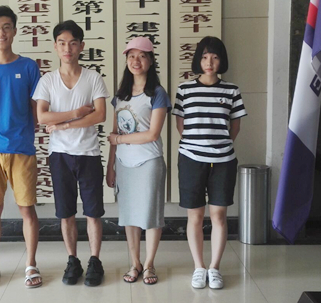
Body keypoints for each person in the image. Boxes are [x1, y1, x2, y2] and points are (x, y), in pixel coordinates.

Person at [32, 20, 109, 287]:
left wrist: (64, 124)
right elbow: (42, 116)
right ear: (55, 46)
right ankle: (73, 260)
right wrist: (76, 113)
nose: (67, 48)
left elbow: (100, 115)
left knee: (93, 212)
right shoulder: (48, 80)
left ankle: (95, 261)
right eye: (62, 43)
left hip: (89, 153)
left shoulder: (93, 78)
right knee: (65, 212)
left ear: (81, 46)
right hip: (59, 155)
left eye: (73, 43)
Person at [0, 6, 42, 289]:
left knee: (27, 209)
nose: (1, 32)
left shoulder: (28, 67)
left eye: (6, 27)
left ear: (14, 30)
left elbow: (36, 106)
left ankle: (31, 265)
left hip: (22, 148)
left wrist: (27, 131)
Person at [172, 36, 247, 290]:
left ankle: (214, 268)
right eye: (204, 57)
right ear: (198, 60)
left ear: (221, 60)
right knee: (195, 216)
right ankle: (199, 267)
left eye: (214, 57)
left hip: (223, 160)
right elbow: (181, 125)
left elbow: (235, 126)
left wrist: (219, 145)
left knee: (219, 215)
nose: (209, 62)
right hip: (191, 159)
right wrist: (199, 145)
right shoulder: (185, 90)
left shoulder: (232, 90)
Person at [105, 37, 171, 286]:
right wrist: (110, 166)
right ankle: (135, 263)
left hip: (149, 161)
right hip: (124, 164)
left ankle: (150, 264)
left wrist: (120, 140)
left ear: (151, 61)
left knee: (151, 215)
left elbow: (152, 134)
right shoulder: (120, 96)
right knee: (129, 216)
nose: (136, 61)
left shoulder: (158, 94)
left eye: (142, 56)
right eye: (131, 56)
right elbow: (113, 134)